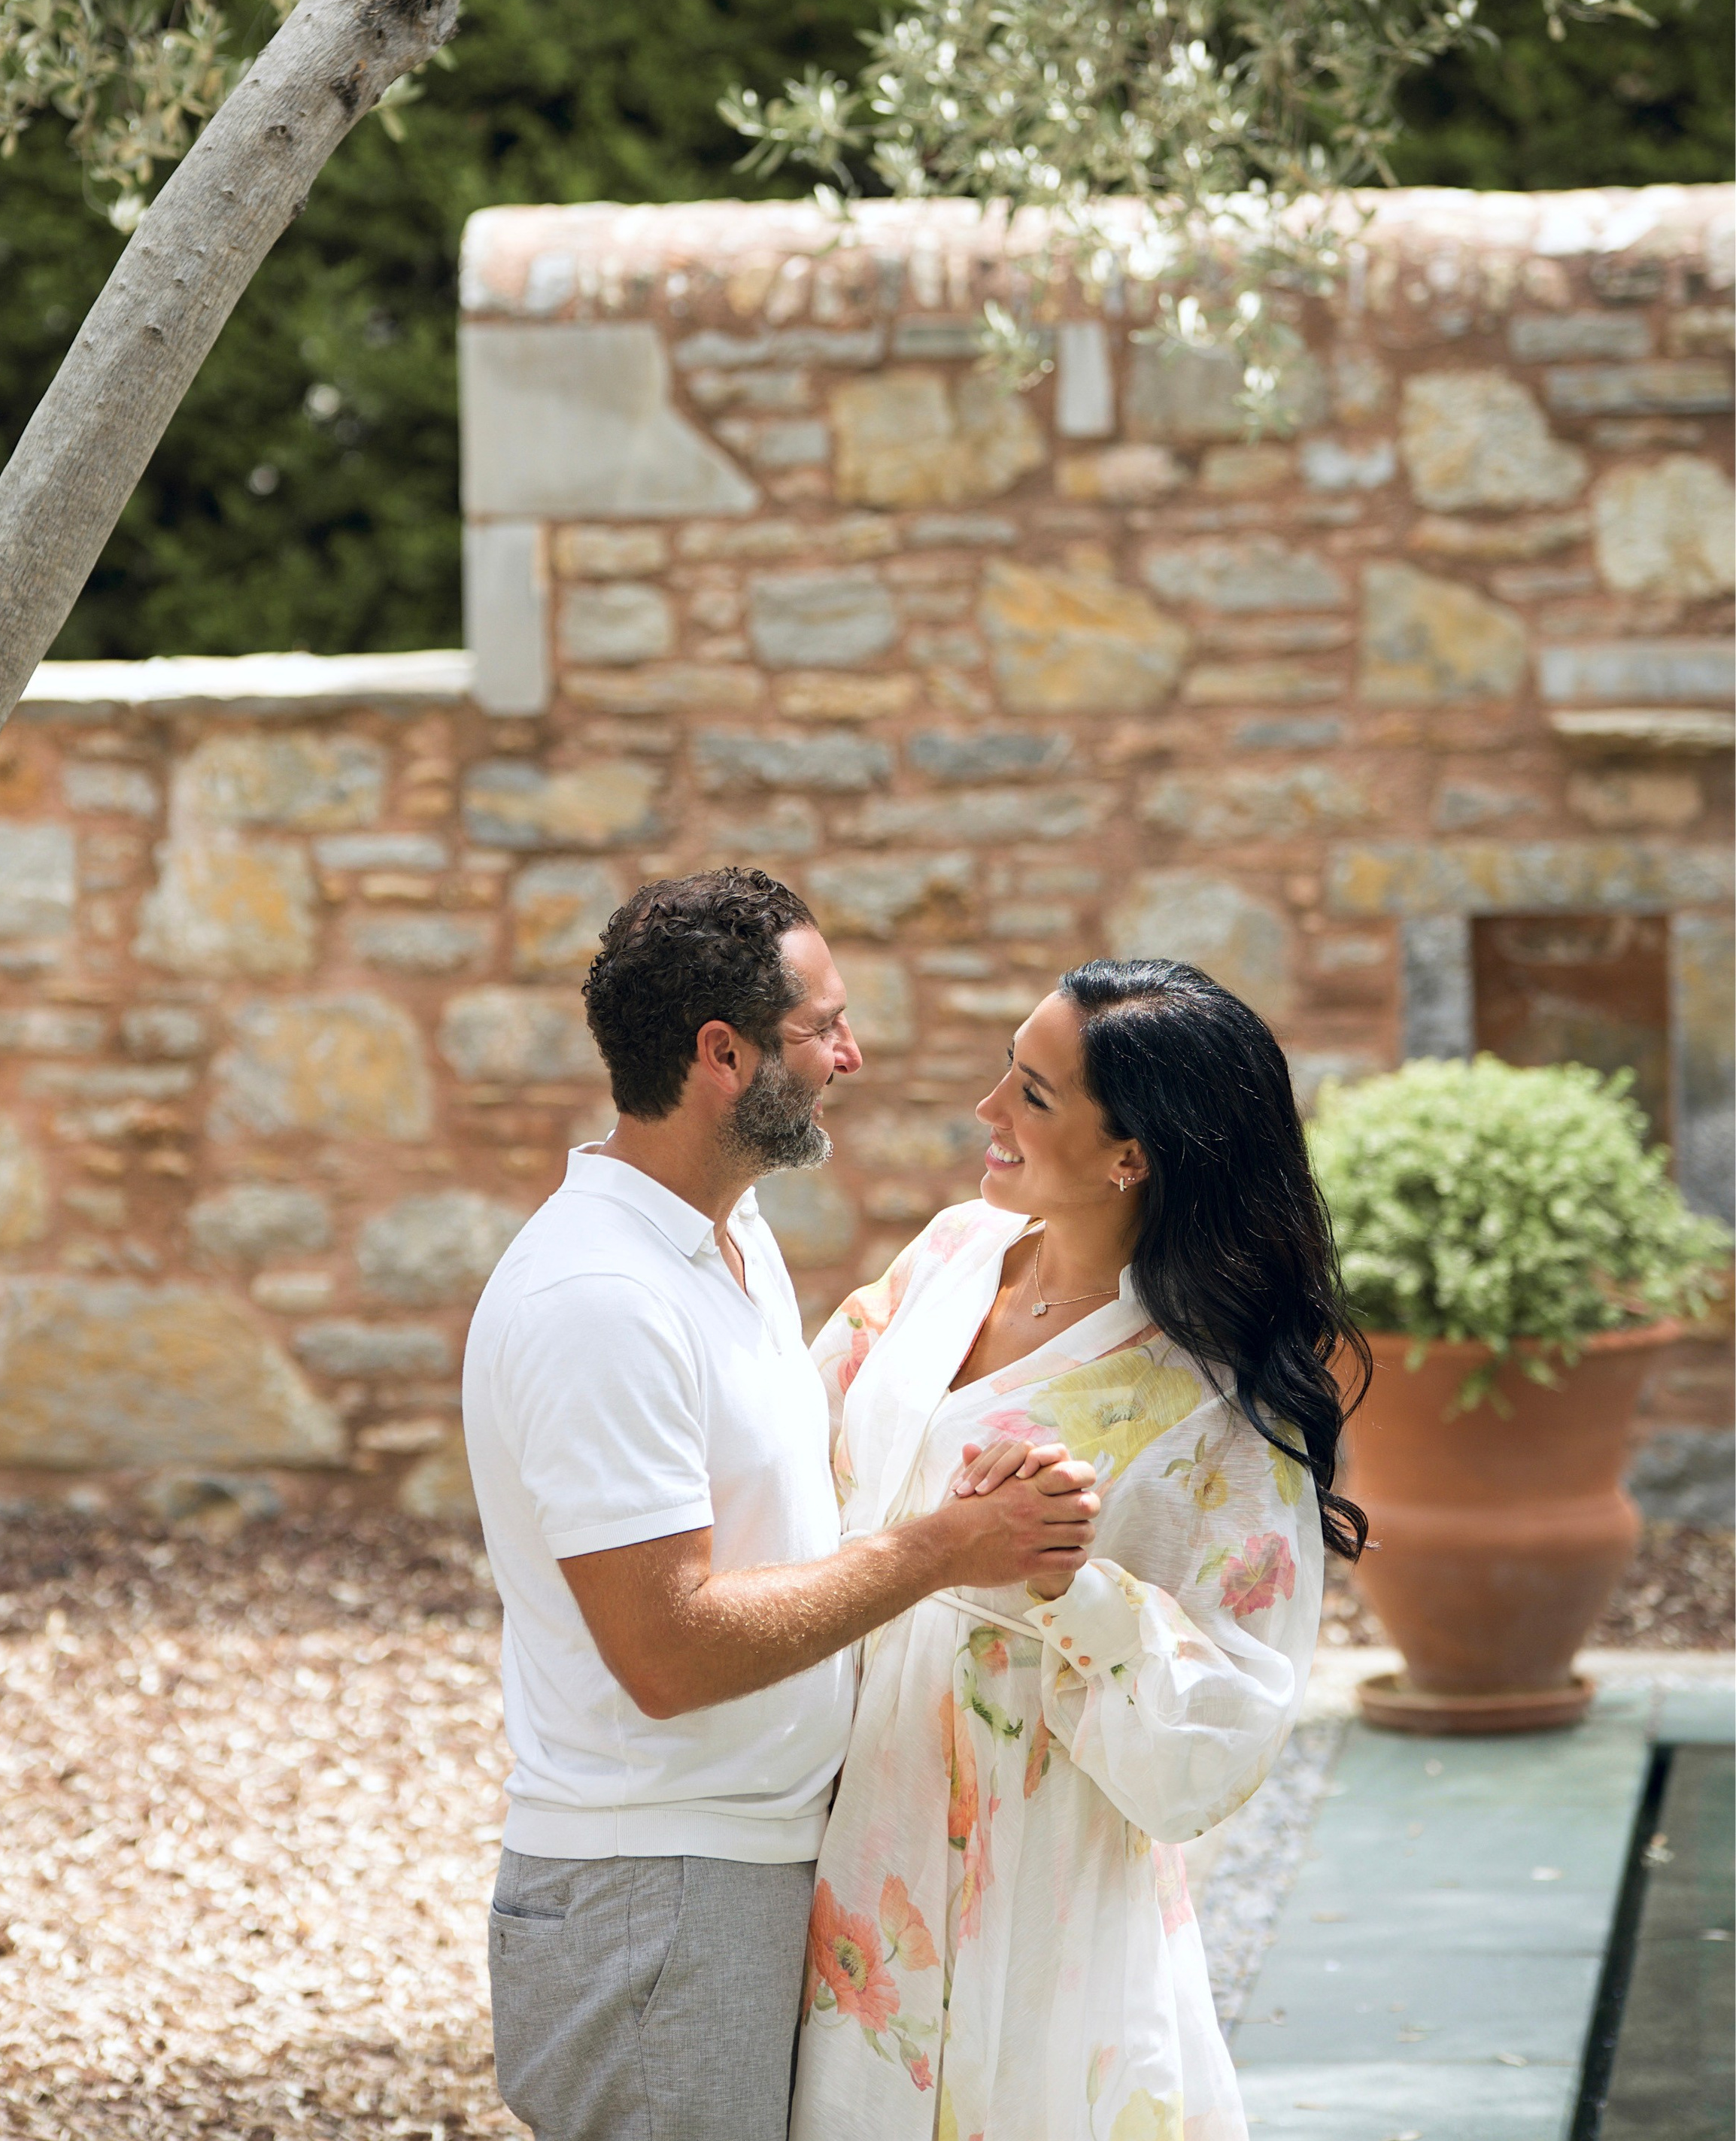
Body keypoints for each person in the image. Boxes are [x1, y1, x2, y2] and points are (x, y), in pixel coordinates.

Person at [461, 869, 1100, 2141]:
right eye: (824, 1027)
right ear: (723, 1051)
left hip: (737, 1871)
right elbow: (670, 1645)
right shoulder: (600, 1300)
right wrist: (945, 1549)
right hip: (656, 1896)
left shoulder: (728, 1245)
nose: (849, 1056)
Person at [791, 956, 1370, 2141]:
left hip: (1027, 1868)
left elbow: (1225, 1728)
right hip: (823, 1806)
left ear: (1132, 1154)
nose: (988, 1110)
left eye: (1035, 1094)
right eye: (1009, 1067)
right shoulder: (951, 1254)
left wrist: (1067, 1586)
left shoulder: (1208, 1400)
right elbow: (802, 1439)